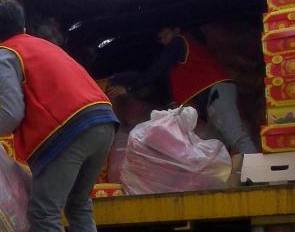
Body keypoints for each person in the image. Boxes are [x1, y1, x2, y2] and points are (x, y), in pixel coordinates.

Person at [0, 0, 118, 232]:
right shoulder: (43, 46)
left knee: (44, 212)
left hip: (68, 131)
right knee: (78, 206)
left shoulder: (4, 54)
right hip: (103, 119)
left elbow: (12, 112)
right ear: (23, 27)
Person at [108, 27, 259, 157]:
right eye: (160, 38)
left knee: (234, 134)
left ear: (176, 30)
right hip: (210, 97)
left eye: (165, 34)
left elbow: (156, 70)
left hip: (216, 91)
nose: (163, 40)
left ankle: (258, 173)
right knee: (217, 142)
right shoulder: (179, 59)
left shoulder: (179, 42)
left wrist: (129, 88)